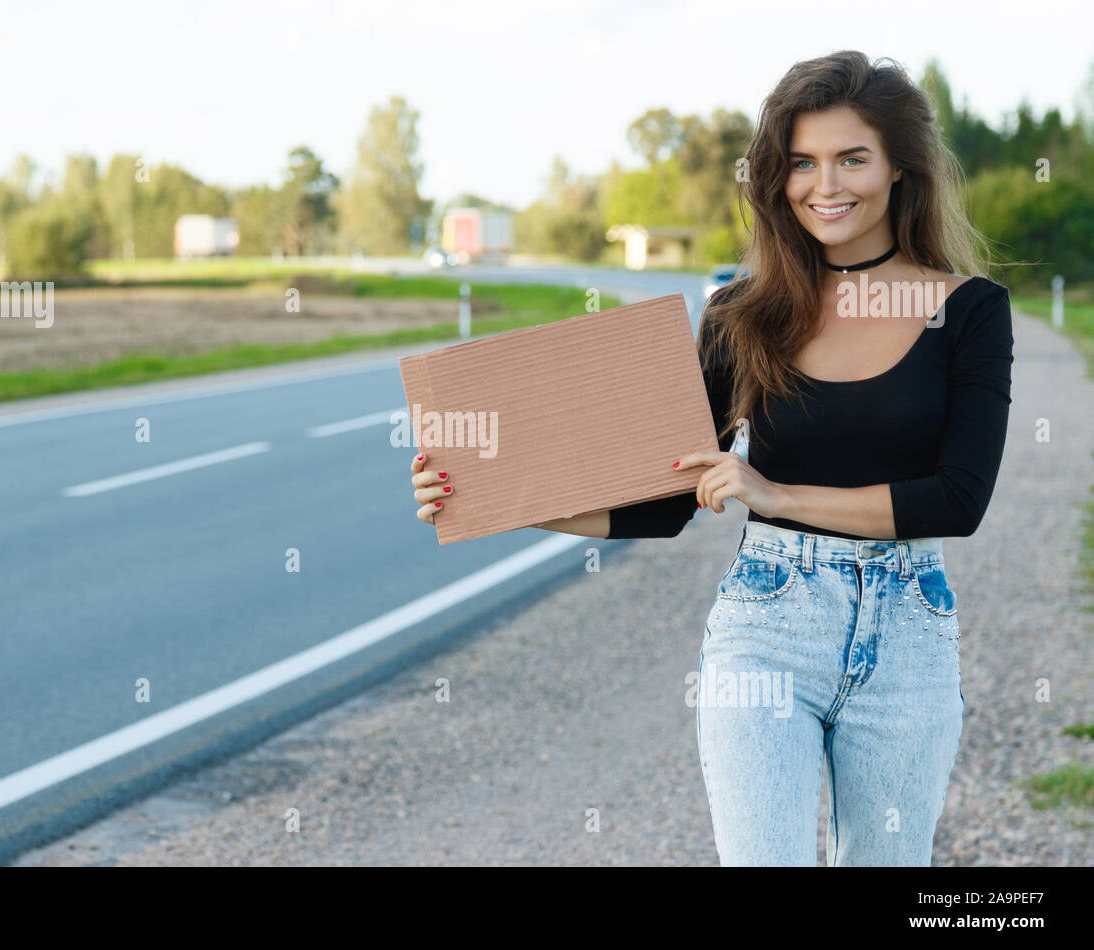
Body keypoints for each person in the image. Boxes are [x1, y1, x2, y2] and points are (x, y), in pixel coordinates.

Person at [409, 50, 1013, 866]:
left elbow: (958, 500)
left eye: (851, 159)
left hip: (910, 635)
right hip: (767, 629)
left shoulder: (970, 312)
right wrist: (490, 490)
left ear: (900, 168)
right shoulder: (743, 313)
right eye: (800, 162)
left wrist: (776, 492)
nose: (824, 185)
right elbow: (663, 506)